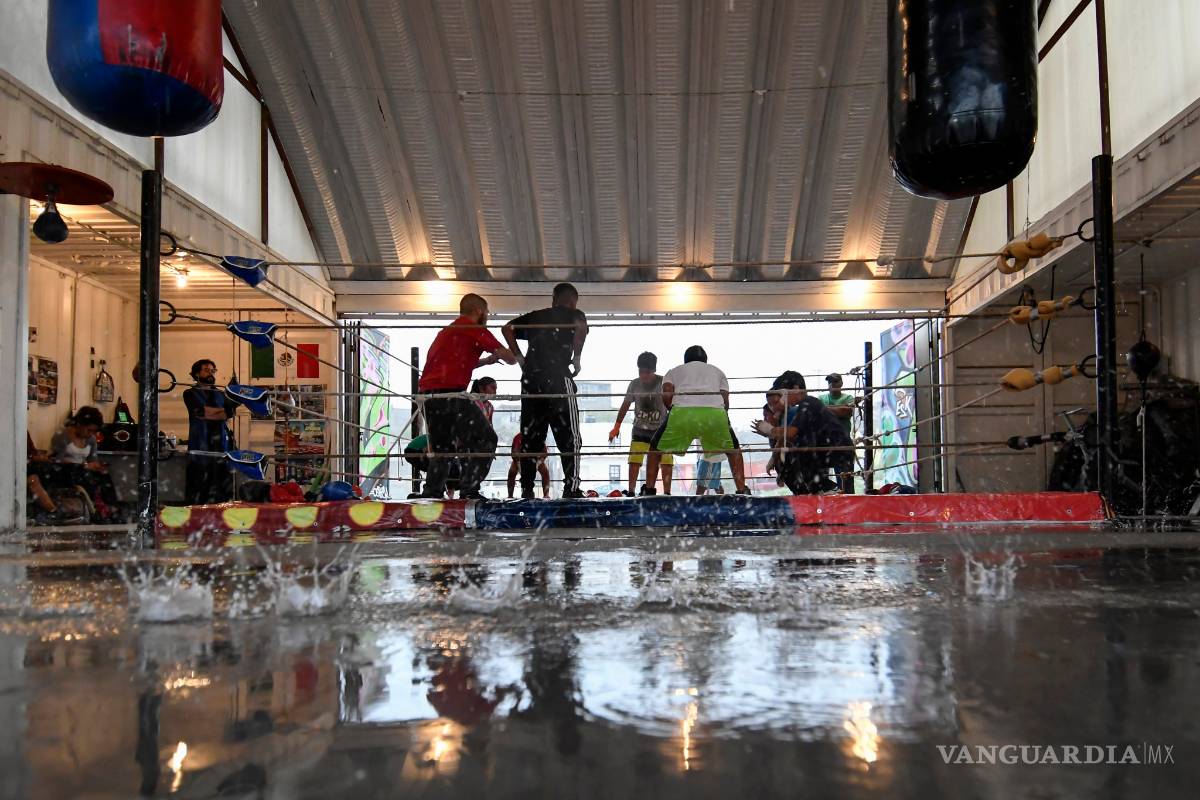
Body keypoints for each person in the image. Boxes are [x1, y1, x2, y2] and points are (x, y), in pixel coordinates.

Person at [416, 294, 516, 500]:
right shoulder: (473, 328)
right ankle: (469, 490)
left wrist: (486, 361)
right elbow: (510, 358)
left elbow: (453, 364)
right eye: (486, 312)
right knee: (486, 439)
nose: (487, 316)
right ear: (479, 310)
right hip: (451, 395)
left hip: (429, 396)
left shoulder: (447, 331)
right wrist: (513, 349)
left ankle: (432, 492)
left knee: (443, 448)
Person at [502, 283, 588, 499]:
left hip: (532, 380)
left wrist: (520, 358)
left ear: (553, 299)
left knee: (531, 437)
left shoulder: (536, 316)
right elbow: (580, 329)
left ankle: (527, 489)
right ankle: (571, 488)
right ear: (572, 300)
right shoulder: (575, 314)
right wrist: (577, 358)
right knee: (570, 437)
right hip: (558, 377)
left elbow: (507, 329)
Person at [642, 345, 749, 496]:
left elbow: (667, 394)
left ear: (685, 360)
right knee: (733, 450)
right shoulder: (718, 371)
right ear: (705, 360)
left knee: (655, 448)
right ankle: (742, 490)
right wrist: (718, 416)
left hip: (682, 414)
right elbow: (725, 401)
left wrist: (674, 411)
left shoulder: (674, 371)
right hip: (714, 415)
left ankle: (649, 490)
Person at [755, 371, 855, 495]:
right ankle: (820, 489)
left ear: (796, 389)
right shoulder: (803, 406)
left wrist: (769, 430)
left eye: (784, 395)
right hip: (828, 450)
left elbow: (791, 433)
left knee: (795, 454)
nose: (782, 400)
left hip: (837, 449)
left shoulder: (808, 403)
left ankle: (826, 489)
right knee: (796, 453)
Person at [609, 352, 673, 496]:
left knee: (666, 460)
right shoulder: (634, 384)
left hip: (661, 430)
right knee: (634, 460)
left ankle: (667, 493)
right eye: (641, 372)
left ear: (654, 370)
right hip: (640, 429)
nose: (644, 376)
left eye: (647, 372)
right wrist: (616, 427)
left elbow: (672, 404)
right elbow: (625, 406)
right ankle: (631, 491)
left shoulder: (663, 383)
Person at [183, 359, 238, 504]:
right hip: (200, 446)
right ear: (196, 373)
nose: (211, 373)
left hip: (220, 446)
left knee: (222, 487)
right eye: (206, 370)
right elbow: (200, 413)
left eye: (213, 370)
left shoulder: (221, 394)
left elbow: (229, 413)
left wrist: (218, 412)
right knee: (199, 485)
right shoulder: (189, 393)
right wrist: (221, 412)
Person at [50, 406, 121, 516]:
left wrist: (99, 466)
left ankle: (111, 508)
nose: (91, 434)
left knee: (105, 476)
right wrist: (84, 465)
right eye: (89, 430)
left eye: (94, 431)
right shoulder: (62, 436)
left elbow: (93, 460)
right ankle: (94, 509)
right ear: (79, 424)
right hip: (65, 471)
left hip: (83, 470)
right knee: (86, 477)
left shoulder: (91, 439)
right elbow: (57, 461)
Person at [506, 433, 551, 498]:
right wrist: (518, 463)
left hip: (535, 460)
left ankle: (546, 495)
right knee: (511, 474)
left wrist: (538, 463)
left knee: (545, 473)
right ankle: (510, 496)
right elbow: (513, 454)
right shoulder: (518, 438)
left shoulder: (538, 437)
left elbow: (545, 453)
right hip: (520, 460)